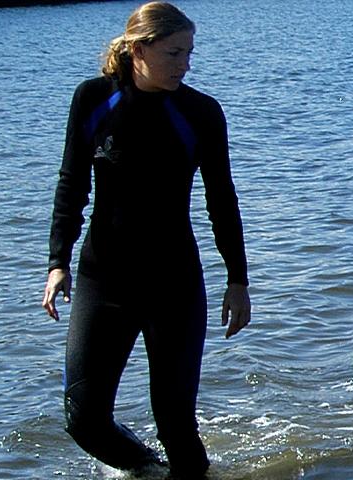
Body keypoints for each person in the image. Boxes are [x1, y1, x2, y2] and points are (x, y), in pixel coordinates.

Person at [39, 2, 250, 477]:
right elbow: (72, 184)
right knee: (85, 420)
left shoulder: (200, 112)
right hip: (104, 278)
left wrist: (238, 279)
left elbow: (222, 200)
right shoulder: (94, 100)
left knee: (176, 423)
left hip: (173, 281)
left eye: (189, 53)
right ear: (139, 49)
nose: (185, 64)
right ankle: (148, 471)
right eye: (174, 53)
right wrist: (58, 262)